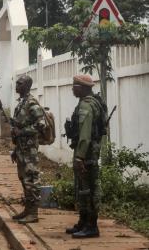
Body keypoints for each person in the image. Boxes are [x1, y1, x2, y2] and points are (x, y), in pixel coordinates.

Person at [65, 74, 102, 238]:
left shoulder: (86, 106)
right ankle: (83, 221)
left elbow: (85, 135)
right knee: (82, 188)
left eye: (75, 86)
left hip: (86, 152)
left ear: (82, 88)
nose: (73, 88)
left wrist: (79, 157)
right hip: (86, 151)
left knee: (89, 188)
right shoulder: (86, 102)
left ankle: (92, 226)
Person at [6, 75, 45, 224]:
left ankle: (33, 213)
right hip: (21, 148)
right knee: (23, 178)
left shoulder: (31, 103)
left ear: (27, 86)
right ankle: (27, 210)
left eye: (20, 83)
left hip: (30, 149)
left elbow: (41, 126)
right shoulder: (21, 103)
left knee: (31, 179)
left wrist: (21, 132)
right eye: (16, 83)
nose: (17, 85)